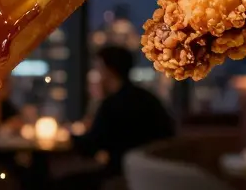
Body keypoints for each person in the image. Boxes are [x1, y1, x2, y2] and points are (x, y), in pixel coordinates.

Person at [72, 46, 175, 176]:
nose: (97, 77)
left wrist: (67, 138)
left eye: (99, 70)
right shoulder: (148, 99)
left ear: (109, 71)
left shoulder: (112, 104)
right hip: (153, 175)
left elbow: (91, 146)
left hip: (121, 177)